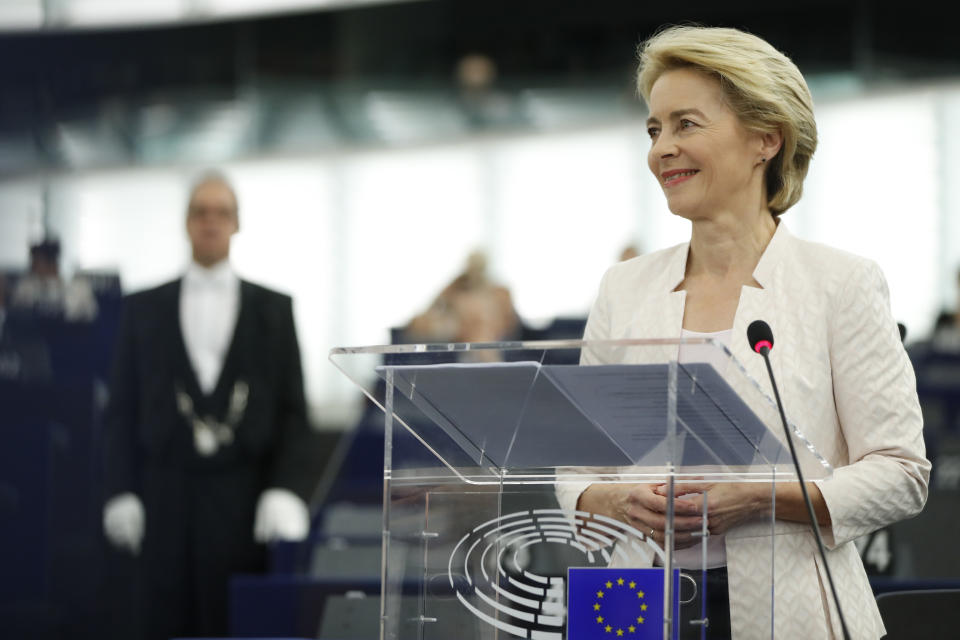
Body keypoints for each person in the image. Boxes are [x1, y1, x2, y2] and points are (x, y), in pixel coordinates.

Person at [555, 26, 929, 639]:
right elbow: (573, 467)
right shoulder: (623, 288)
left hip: (796, 608)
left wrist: (760, 496)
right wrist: (614, 500)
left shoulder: (842, 284)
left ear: (765, 139)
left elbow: (901, 473)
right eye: (654, 130)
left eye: (686, 124)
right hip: (632, 602)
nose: (661, 149)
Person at [102, 172, 316, 639]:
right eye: (201, 212)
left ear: (237, 224)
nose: (211, 222)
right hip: (162, 498)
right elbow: (120, 410)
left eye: (222, 213)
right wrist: (119, 490)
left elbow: (294, 414)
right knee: (162, 620)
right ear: (185, 223)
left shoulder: (275, 311)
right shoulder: (141, 309)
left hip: (245, 501)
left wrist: (288, 490)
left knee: (237, 623)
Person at [405, 249, 520, 344]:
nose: (475, 272)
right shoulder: (455, 289)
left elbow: (509, 324)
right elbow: (428, 312)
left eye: (479, 266)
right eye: (472, 265)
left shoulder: (500, 293)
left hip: (492, 343)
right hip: (459, 345)